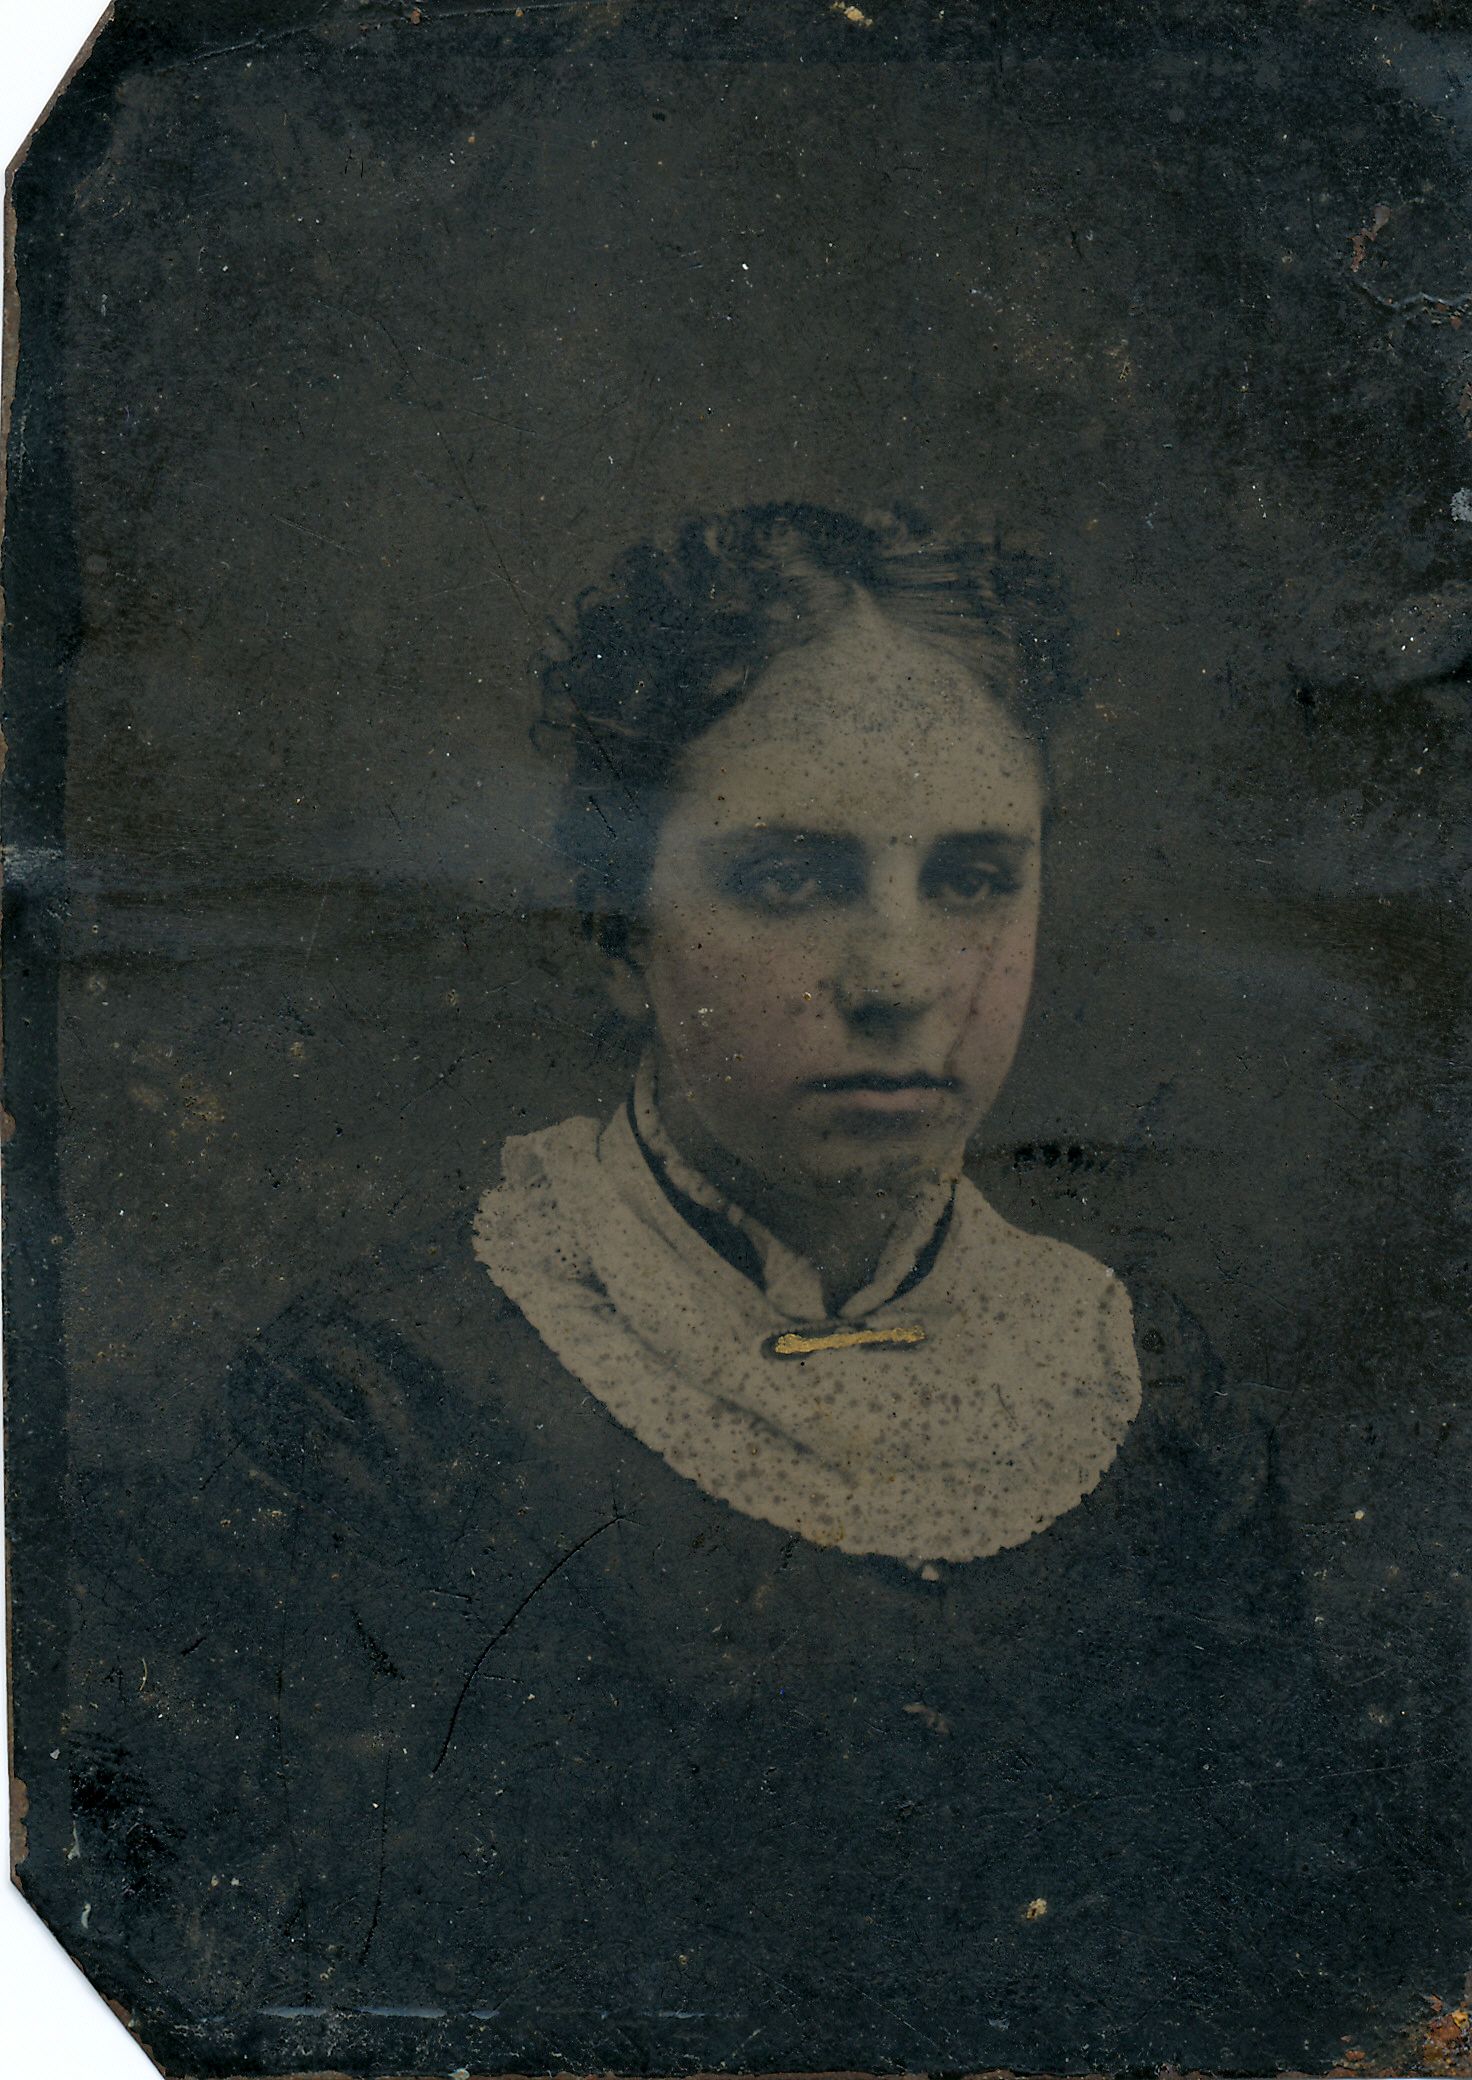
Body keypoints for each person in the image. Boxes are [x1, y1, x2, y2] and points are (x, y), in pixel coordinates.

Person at [107, 507, 1341, 2073]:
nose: (900, 980)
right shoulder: (384, 1404)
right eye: (788, 878)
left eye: (973, 878)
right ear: (618, 922)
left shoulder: (1144, 1395)